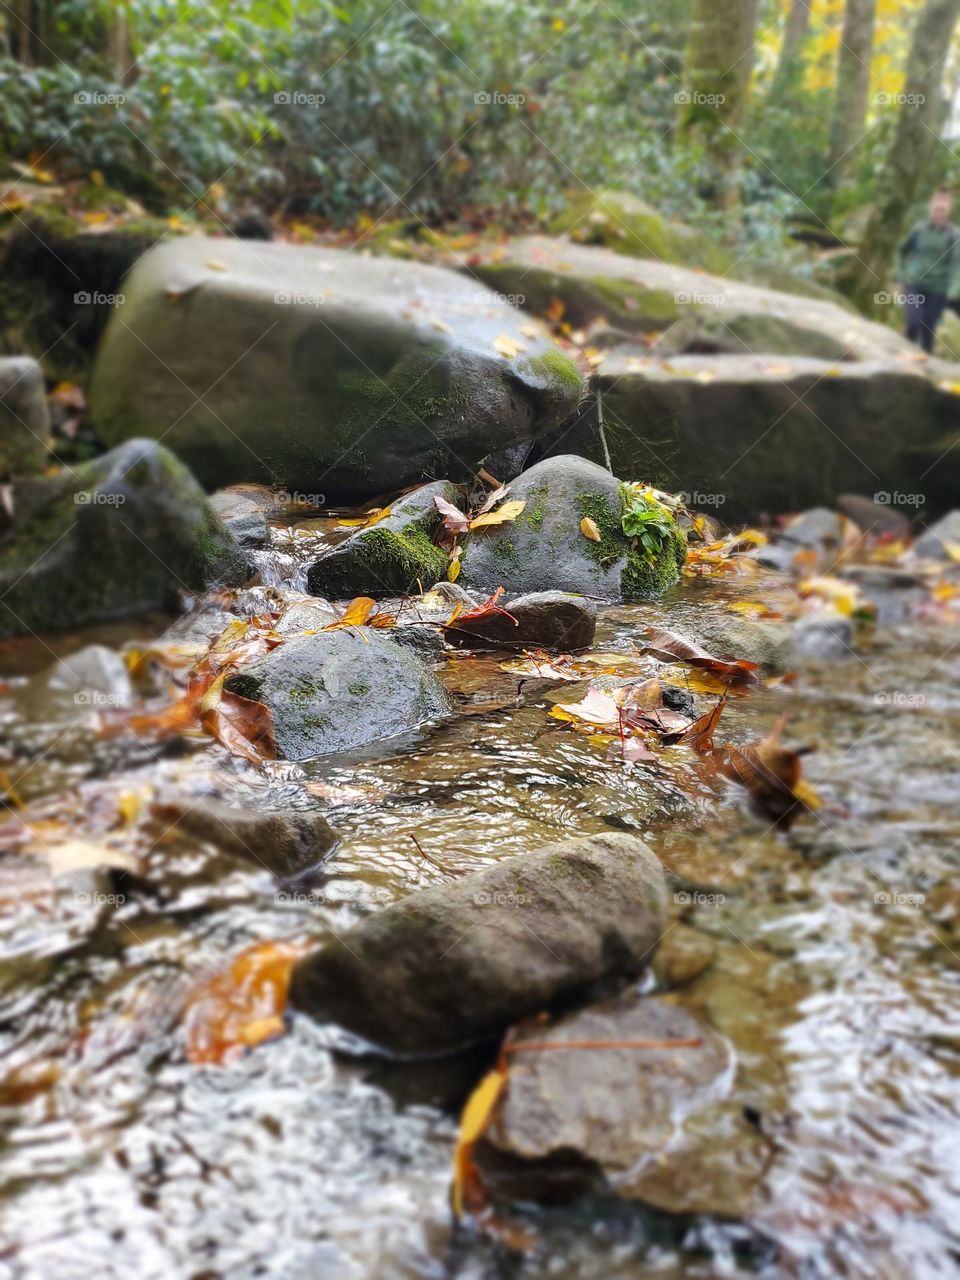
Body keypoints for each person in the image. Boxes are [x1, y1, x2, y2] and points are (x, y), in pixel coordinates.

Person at [896, 187, 959, 354]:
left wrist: (953, 291)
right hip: (914, 283)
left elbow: (957, 266)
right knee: (913, 323)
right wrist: (901, 274)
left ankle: (923, 371)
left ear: (948, 210)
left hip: (938, 290)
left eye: (943, 210)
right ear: (930, 207)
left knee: (928, 331)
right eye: (937, 209)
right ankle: (904, 363)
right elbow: (901, 251)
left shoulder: (954, 235)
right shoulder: (919, 230)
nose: (940, 213)